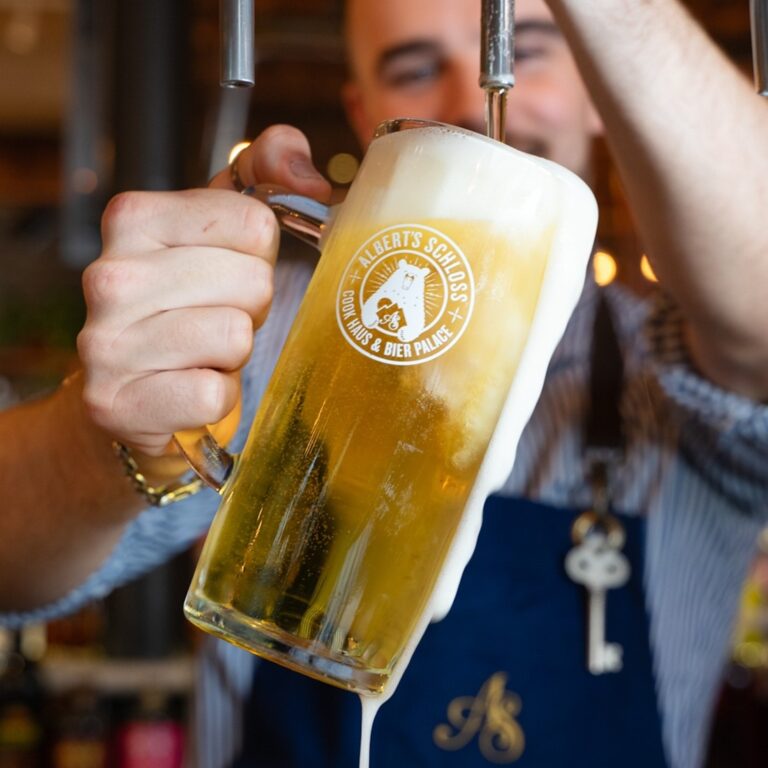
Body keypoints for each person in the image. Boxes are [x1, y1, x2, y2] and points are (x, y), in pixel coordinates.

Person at [2, 0, 768, 765]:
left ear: (603, 90)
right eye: (415, 67)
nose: (468, 98)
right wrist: (109, 439)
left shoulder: (679, 366)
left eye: (527, 49)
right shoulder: (276, 322)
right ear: (363, 110)